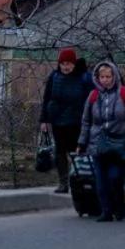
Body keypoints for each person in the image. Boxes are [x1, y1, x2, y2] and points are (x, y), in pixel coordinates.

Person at [77, 60, 125, 223]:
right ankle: (106, 211)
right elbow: (86, 121)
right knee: (101, 181)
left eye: (108, 76)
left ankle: (119, 205)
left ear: (114, 76)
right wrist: (82, 142)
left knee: (115, 178)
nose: (105, 80)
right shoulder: (93, 96)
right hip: (97, 144)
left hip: (119, 144)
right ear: (97, 78)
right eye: (102, 77)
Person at [39, 48, 93, 195]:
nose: (65, 67)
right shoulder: (54, 77)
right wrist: (44, 120)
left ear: (74, 63)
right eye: (63, 63)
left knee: (78, 153)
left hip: (77, 122)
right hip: (58, 121)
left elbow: (92, 100)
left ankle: (81, 182)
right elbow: (47, 98)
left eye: (68, 63)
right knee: (60, 153)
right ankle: (63, 183)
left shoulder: (84, 78)